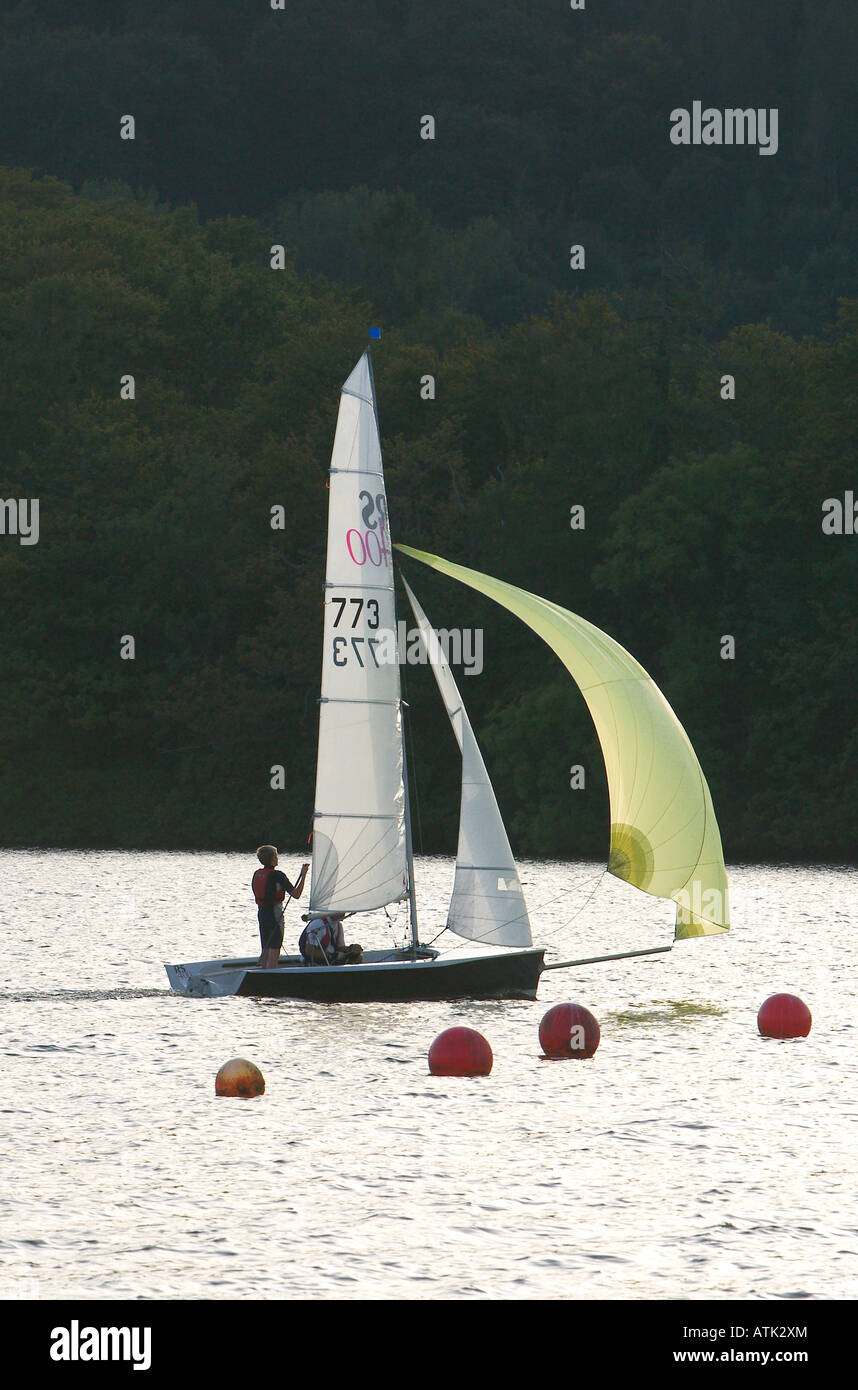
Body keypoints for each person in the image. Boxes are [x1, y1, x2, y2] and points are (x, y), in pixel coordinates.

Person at [252, 846, 309, 968]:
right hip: (274, 915)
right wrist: (303, 875)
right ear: (273, 860)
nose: (277, 858)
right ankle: (271, 974)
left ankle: (261, 970)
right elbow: (296, 894)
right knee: (274, 949)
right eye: (276, 856)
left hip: (262, 914)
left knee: (266, 948)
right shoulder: (278, 875)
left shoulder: (257, 874)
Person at [298, 912, 362, 966]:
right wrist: (331, 956)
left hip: (331, 960)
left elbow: (340, 947)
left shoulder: (338, 925)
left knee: (358, 957)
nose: (343, 913)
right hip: (315, 963)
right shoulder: (318, 924)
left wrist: (350, 949)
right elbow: (309, 951)